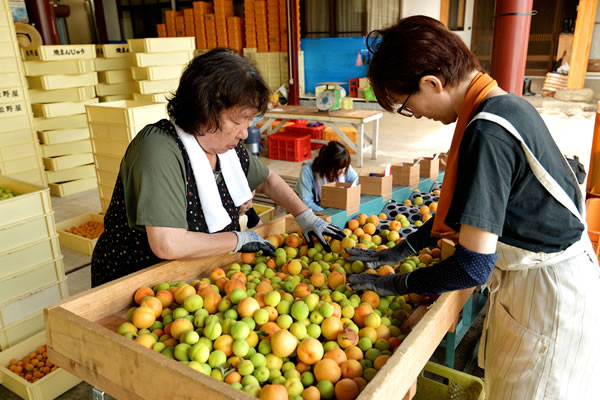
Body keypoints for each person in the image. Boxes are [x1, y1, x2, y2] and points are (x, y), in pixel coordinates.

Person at [346, 16, 600, 399]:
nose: (417, 116)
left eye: (408, 106)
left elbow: (473, 265)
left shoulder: (487, 131)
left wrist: (396, 283)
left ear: (432, 83)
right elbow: (468, 211)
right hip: (545, 283)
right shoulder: (503, 105)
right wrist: (398, 251)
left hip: (549, 300)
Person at [91, 49, 344, 287]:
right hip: (136, 283)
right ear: (204, 112)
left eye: (249, 121)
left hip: (193, 282)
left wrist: (305, 216)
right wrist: (238, 239)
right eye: (237, 120)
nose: (245, 132)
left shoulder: (225, 148)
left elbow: (268, 180)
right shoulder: (158, 148)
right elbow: (167, 243)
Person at [295, 141, 358, 212]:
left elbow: (355, 183)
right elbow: (306, 202)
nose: (343, 171)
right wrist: (328, 215)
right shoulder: (308, 171)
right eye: (339, 169)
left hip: (335, 208)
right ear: (328, 166)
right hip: (316, 210)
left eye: (345, 167)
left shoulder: (344, 167)